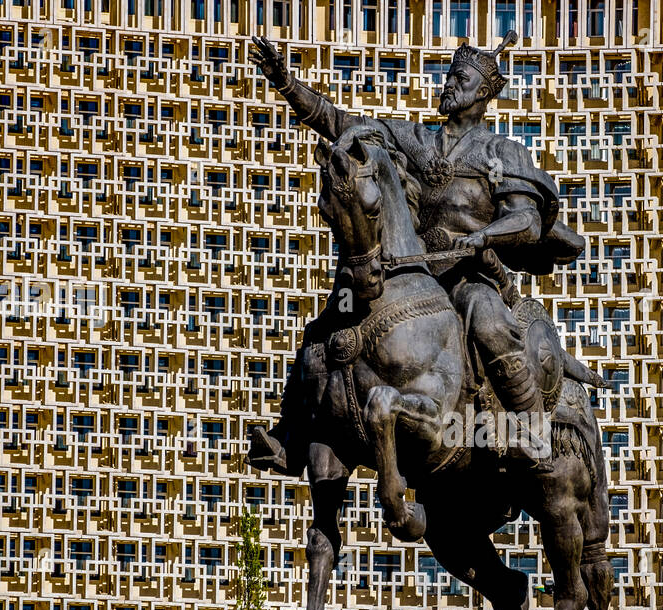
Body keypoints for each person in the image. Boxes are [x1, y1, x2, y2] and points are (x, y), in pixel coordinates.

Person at [247, 32, 587, 476]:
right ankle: (290, 435)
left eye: (459, 79)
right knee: (326, 327)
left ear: (483, 92)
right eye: (448, 76)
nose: (447, 85)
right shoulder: (414, 140)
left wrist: (482, 238)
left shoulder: (501, 152)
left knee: (486, 316)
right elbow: (340, 122)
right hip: (408, 277)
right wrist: (287, 83)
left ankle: (528, 428)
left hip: (468, 274)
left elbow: (526, 220)